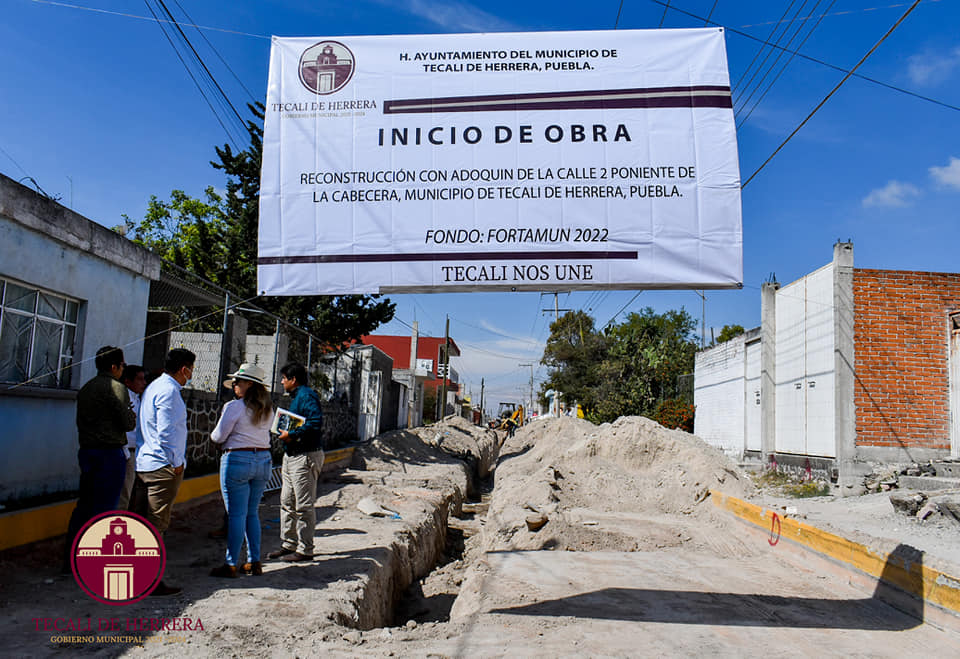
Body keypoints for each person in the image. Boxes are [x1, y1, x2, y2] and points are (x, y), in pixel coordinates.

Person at [63, 346, 136, 569]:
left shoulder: (87, 388)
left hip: (87, 450)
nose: (123, 369)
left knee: (84, 505)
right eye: (122, 365)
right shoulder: (116, 388)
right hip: (109, 453)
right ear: (114, 366)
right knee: (106, 508)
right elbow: (128, 422)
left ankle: (71, 557)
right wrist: (130, 412)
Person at [132, 347, 195, 596]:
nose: (191, 374)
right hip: (161, 466)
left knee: (141, 523)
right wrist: (176, 462)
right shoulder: (169, 392)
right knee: (156, 525)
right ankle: (150, 581)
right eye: (191, 369)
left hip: (146, 462)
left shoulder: (154, 388)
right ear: (184, 369)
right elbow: (167, 432)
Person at [208, 364, 274, 578]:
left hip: (237, 459)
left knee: (236, 514)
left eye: (239, 381)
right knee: (252, 512)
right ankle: (254, 561)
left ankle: (231, 563)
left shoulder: (234, 407)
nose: (235, 384)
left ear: (249, 384)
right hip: (263, 459)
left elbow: (218, 436)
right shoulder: (267, 409)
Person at [267, 362, 324, 562]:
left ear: (293, 380)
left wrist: (293, 434)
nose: (282, 382)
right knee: (287, 501)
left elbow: (315, 422)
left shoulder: (306, 396)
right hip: (292, 455)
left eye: (284, 378)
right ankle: (289, 543)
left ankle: (305, 549)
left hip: (304, 456)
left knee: (303, 505)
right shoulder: (296, 398)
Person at [117, 364, 146, 510]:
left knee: (129, 494)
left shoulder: (137, 398)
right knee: (124, 494)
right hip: (126, 450)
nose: (143, 383)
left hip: (135, 451)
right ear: (128, 381)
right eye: (139, 379)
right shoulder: (126, 398)